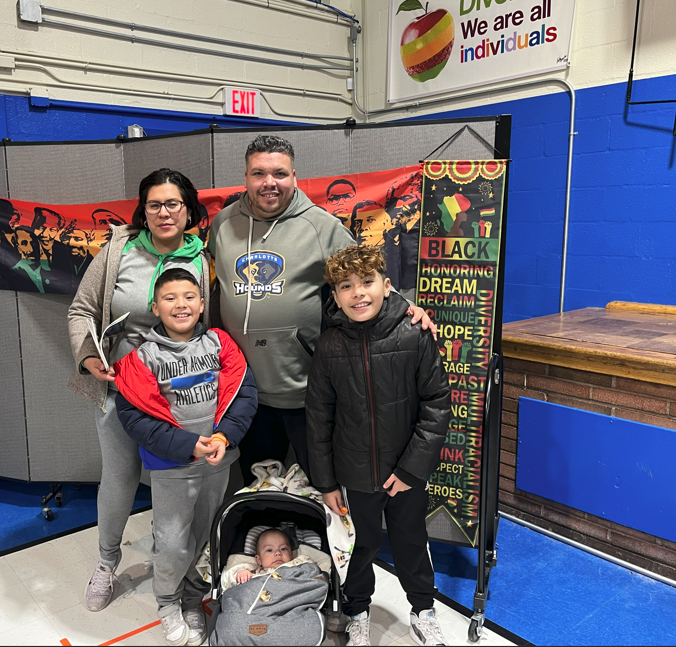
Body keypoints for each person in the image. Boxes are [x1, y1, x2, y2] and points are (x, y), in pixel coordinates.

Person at [206, 135, 436, 484]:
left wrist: (405, 308)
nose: (270, 182)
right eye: (259, 173)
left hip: (306, 390)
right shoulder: (222, 224)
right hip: (244, 389)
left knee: (321, 485)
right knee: (260, 484)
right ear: (246, 178)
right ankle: (267, 540)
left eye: (279, 173)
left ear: (294, 176)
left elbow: (364, 279)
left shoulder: (322, 226)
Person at [67, 168, 212, 619]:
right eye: (154, 204)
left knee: (189, 478)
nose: (164, 212)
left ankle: (189, 565)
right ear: (142, 210)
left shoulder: (205, 258)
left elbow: (217, 323)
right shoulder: (118, 250)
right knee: (120, 476)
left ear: (188, 209)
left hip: (185, 387)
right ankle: (107, 562)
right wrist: (89, 357)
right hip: (123, 385)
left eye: (173, 204)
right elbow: (80, 309)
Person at [306, 245, 450, 647]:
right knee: (358, 548)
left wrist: (410, 470)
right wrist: (327, 482)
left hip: (405, 471)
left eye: (367, 282)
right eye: (346, 286)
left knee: (411, 541)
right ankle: (357, 612)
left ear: (387, 286)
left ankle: (423, 610)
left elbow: (437, 405)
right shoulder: (329, 347)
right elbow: (319, 418)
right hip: (353, 475)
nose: (358, 293)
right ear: (334, 297)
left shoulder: (413, 333)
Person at [114, 267, 257, 646]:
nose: (181, 304)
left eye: (189, 296)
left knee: (204, 536)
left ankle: (193, 596)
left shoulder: (220, 344)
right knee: (174, 543)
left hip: (218, 464)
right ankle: (167, 601)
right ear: (155, 306)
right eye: (170, 298)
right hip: (173, 468)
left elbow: (244, 393)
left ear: (202, 303)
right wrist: (185, 445)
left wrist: (225, 436)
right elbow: (135, 418)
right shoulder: (142, 357)